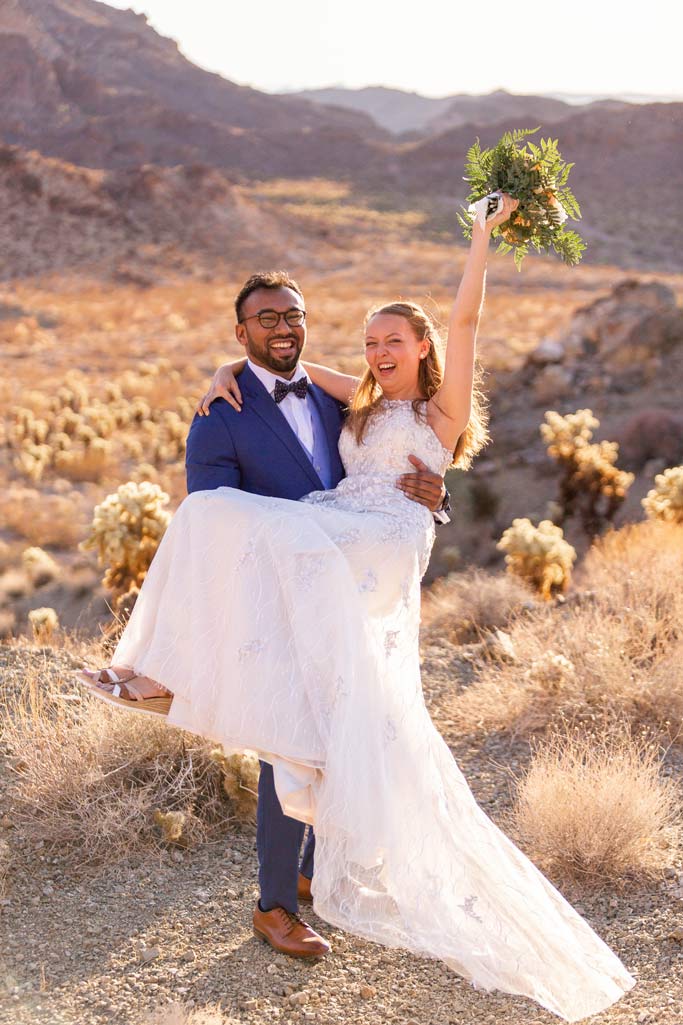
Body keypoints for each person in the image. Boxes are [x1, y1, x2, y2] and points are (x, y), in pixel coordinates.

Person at [81, 193, 636, 1022]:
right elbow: (289, 376)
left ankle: (173, 695)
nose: (378, 353)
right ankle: (271, 838)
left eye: (394, 341)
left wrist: (479, 236)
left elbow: (467, 320)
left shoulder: (436, 411)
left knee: (235, 550)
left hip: (367, 547)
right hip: (332, 544)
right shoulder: (359, 399)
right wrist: (224, 369)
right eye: (370, 342)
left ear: (423, 349)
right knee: (309, 700)